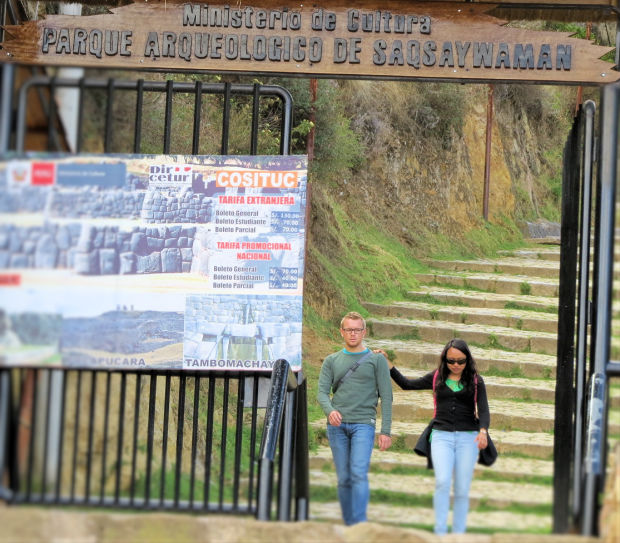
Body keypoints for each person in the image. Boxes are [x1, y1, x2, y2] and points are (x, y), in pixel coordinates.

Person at [382, 338, 489, 536]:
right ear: (444, 360)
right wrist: (389, 366)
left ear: (468, 360)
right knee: (442, 482)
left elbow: (483, 410)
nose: (455, 365)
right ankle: (439, 532)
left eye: (461, 361)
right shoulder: (436, 377)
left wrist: (483, 431)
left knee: (462, 488)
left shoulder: (476, 380)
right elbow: (407, 384)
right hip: (441, 436)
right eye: (451, 361)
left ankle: (458, 534)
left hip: (468, 438)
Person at [317, 311, 393, 526]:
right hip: (337, 426)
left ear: (364, 332)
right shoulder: (331, 360)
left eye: (357, 330)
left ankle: (359, 525)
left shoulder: (377, 360)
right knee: (344, 479)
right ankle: (349, 523)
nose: (353, 334)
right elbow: (322, 392)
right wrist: (329, 410)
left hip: (363, 424)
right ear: (341, 332)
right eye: (349, 329)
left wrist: (385, 431)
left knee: (358, 473)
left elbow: (386, 396)